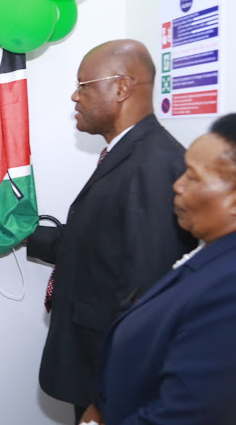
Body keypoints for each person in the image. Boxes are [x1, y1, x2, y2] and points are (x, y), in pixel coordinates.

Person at [26, 39, 196, 422]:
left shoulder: (156, 164)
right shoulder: (127, 153)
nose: (74, 96)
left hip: (112, 381)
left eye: (84, 85)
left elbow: (146, 295)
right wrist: (24, 233)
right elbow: (101, 246)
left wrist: (108, 398)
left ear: (121, 87)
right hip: (90, 364)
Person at [84, 113, 236, 424]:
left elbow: (187, 415)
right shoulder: (210, 252)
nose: (177, 185)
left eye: (192, 177)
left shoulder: (229, 289)